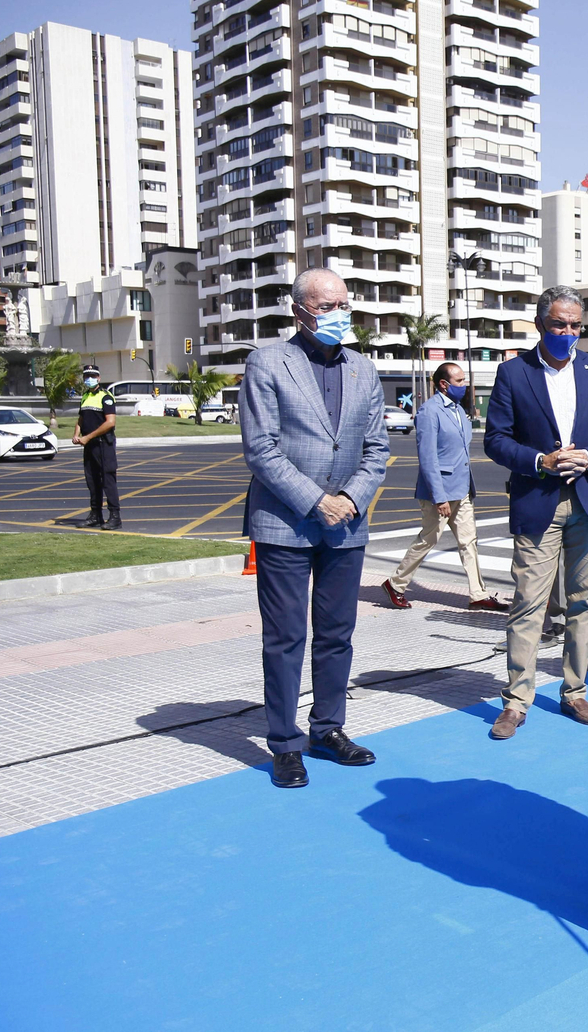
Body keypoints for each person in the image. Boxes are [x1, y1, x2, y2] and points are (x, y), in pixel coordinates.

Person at [242, 266, 388, 788]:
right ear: (299, 310)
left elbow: (377, 449)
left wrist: (348, 498)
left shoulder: (362, 369)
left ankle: (328, 728)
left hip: (346, 524)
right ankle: (284, 743)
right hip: (285, 522)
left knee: (336, 634)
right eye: (326, 307)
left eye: (343, 305)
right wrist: (315, 500)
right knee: (285, 637)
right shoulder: (268, 362)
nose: (337, 315)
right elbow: (261, 448)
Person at [483, 285, 588, 740]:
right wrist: (539, 461)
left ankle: (575, 689)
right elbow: (495, 439)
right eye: (560, 324)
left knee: (585, 602)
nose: (568, 332)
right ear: (541, 324)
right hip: (538, 501)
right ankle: (517, 701)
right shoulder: (512, 374)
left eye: (575, 325)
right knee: (528, 604)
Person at [381, 363, 508, 612]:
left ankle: (478, 594)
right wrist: (439, 498)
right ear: (443, 384)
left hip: (461, 488)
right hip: (439, 493)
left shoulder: (459, 411)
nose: (465, 385)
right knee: (429, 539)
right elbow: (428, 459)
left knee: (469, 541)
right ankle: (395, 584)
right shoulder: (429, 412)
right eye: (460, 381)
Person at [73, 364, 121, 530]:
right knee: (92, 481)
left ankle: (115, 517)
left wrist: (88, 437)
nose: (89, 379)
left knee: (108, 481)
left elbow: (110, 422)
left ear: (99, 378)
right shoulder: (85, 396)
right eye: (86, 376)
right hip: (89, 445)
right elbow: (81, 419)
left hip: (103, 445)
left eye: (93, 376)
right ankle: (96, 515)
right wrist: (76, 434)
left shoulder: (105, 397)